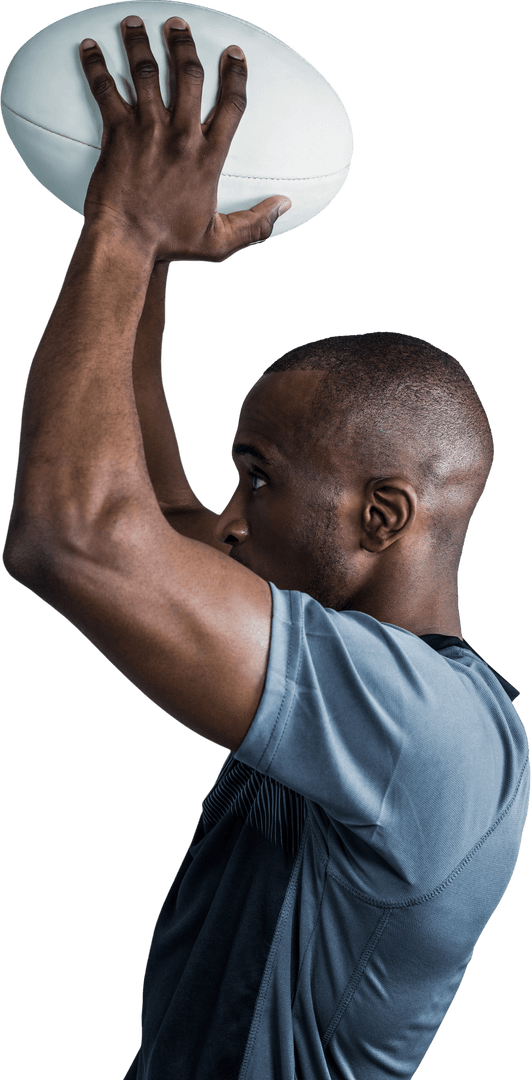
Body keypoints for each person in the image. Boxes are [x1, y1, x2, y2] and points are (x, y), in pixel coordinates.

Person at [3, 15, 528, 1080]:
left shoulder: (426, 731)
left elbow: (74, 537)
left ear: (383, 519)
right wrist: (152, 251)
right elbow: (146, 508)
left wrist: (121, 229)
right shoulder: (363, 675)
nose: (229, 520)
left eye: (261, 479)